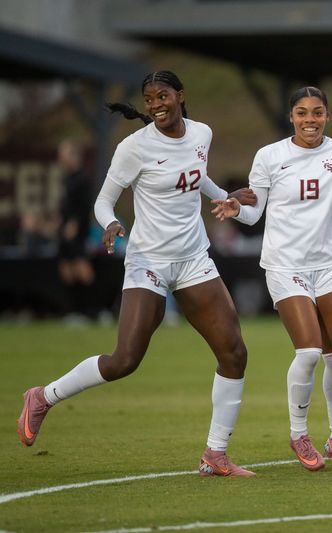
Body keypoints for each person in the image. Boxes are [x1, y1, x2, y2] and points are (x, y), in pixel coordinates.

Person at [17, 71, 256, 477]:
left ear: (181, 96)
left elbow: (194, 176)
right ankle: (43, 396)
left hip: (194, 257)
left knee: (234, 353)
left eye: (163, 96)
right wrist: (110, 224)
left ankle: (215, 456)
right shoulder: (134, 148)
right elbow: (104, 202)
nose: (156, 104)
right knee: (125, 360)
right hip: (149, 260)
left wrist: (225, 198)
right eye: (149, 99)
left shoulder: (202, 134)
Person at [211, 87, 332, 472]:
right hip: (285, 266)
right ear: (291, 117)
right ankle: (298, 432)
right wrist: (236, 208)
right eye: (302, 113)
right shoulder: (270, 156)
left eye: (317, 113)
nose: (310, 120)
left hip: (329, 266)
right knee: (310, 351)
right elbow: (255, 214)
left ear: (327, 116)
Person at [55, 140, 96, 324]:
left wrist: (75, 224)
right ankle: (73, 312)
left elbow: (85, 206)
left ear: (74, 156)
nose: (61, 159)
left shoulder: (83, 178)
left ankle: (93, 310)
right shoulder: (67, 178)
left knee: (81, 268)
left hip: (76, 232)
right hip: (64, 231)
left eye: (64, 154)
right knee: (66, 268)